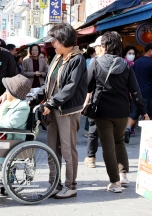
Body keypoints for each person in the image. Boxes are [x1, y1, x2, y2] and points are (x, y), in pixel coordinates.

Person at [87, 31, 149, 193]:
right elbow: (135, 91)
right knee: (119, 141)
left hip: (102, 111)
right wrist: (144, 112)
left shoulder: (96, 63)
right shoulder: (126, 65)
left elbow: (87, 86)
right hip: (122, 110)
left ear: (105, 46)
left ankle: (115, 182)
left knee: (108, 147)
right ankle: (123, 175)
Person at [31, 23, 87, 199]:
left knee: (68, 149)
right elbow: (49, 83)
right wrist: (35, 98)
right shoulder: (56, 58)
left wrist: (51, 102)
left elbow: (70, 87)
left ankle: (71, 185)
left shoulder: (77, 59)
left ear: (63, 40)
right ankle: (54, 183)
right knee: (52, 148)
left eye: (54, 40)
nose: (52, 44)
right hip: (52, 108)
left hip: (67, 110)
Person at [125, 42, 152, 143]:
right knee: (149, 115)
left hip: (136, 93)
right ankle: (149, 137)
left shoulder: (136, 62)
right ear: (150, 51)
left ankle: (127, 129)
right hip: (148, 93)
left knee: (134, 113)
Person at [83, 40, 103, 169]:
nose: (95, 48)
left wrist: (85, 102)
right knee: (114, 136)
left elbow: (88, 85)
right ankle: (120, 167)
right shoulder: (121, 62)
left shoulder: (95, 61)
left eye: (96, 46)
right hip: (115, 104)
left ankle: (91, 158)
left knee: (93, 131)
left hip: (97, 101)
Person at [22, 44, 49, 131]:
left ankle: (42, 124)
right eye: (33, 50)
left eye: (36, 50)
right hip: (29, 87)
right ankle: (29, 125)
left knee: (40, 107)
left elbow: (47, 72)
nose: (34, 51)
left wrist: (41, 74)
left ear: (39, 51)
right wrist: (33, 73)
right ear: (30, 51)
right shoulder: (26, 61)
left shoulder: (43, 61)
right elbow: (23, 73)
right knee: (29, 106)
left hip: (40, 87)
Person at [122, 45, 138, 137]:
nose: (132, 55)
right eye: (129, 53)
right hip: (126, 91)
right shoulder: (125, 64)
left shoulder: (133, 64)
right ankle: (126, 128)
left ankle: (128, 128)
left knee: (130, 110)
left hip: (130, 91)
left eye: (133, 53)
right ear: (125, 55)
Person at [82, 46, 96, 138]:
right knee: (90, 107)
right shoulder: (91, 61)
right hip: (90, 87)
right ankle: (88, 130)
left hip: (89, 87)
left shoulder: (91, 60)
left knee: (89, 107)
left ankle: (88, 130)